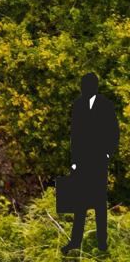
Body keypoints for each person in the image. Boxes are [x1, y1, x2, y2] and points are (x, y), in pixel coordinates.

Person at [67, 72, 118, 255]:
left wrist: (106, 154)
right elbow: (75, 135)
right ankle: (75, 242)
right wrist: (73, 162)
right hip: (82, 162)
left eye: (86, 85)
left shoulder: (106, 105)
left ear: (93, 86)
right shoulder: (78, 105)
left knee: (98, 203)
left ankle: (102, 244)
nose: (83, 88)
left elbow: (114, 132)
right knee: (79, 203)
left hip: (98, 161)